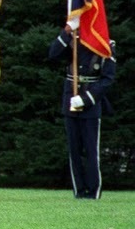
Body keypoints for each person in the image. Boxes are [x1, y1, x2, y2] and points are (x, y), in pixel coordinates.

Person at [47, 15, 115, 199]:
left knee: (91, 150)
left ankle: (93, 191)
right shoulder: (72, 41)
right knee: (74, 149)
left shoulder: (105, 43)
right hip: (70, 96)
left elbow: (107, 79)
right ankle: (79, 190)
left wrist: (86, 99)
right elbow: (53, 54)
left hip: (91, 100)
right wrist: (67, 31)